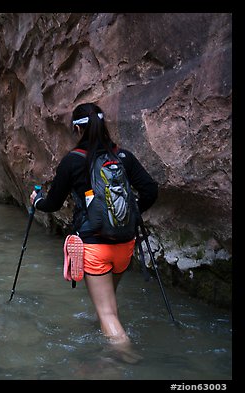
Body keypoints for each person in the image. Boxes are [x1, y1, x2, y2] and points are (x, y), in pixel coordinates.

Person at [29, 102, 158, 361]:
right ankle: (109, 333)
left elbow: (53, 203)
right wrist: (132, 214)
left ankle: (127, 356)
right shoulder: (123, 157)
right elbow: (150, 191)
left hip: (94, 247)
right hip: (124, 244)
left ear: (77, 129)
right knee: (109, 305)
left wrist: (35, 201)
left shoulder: (73, 161)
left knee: (107, 313)